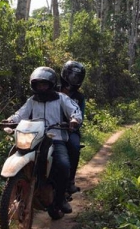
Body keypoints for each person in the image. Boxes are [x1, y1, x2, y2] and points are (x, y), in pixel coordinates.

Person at [6, 66, 83, 214]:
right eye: (38, 84)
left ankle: (60, 199)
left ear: (51, 84)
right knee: (16, 155)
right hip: (34, 138)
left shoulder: (61, 98)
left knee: (63, 165)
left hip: (56, 138)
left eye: (44, 84)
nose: (41, 87)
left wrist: (74, 120)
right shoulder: (32, 101)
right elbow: (20, 114)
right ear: (33, 85)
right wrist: (10, 120)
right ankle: (18, 190)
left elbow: (75, 110)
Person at [59, 60, 86, 195]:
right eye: (71, 75)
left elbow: (80, 114)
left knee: (74, 147)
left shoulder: (79, 97)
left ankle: (70, 181)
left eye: (77, 77)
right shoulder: (53, 91)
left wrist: (74, 123)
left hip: (70, 130)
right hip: (50, 128)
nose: (73, 79)